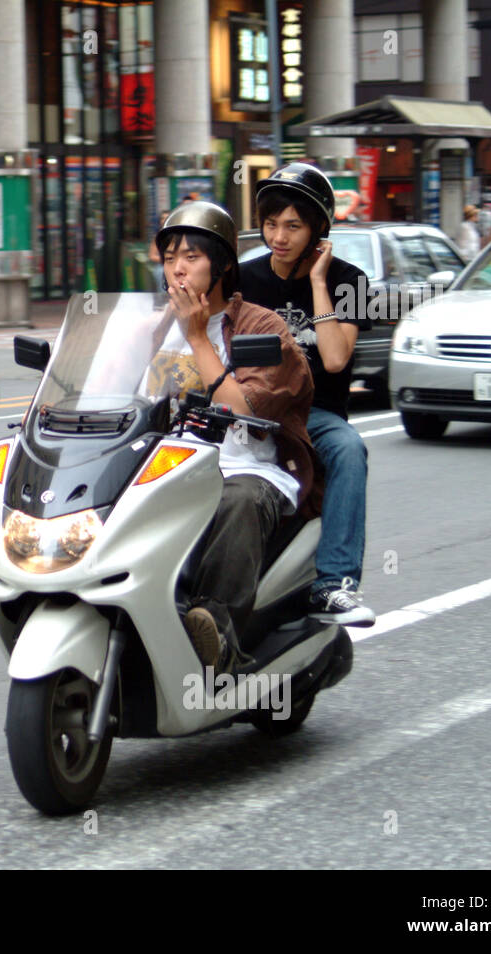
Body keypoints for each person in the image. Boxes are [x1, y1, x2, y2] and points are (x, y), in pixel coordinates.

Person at [151, 202, 321, 669]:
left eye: (191, 257)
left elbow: (242, 410)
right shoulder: (153, 327)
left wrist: (199, 338)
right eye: (169, 258)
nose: (178, 269)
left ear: (223, 264)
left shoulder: (262, 326)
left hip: (245, 467)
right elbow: (108, 387)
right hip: (163, 466)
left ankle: (217, 633)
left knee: (236, 500)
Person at [239, 162, 376, 628]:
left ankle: (335, 584)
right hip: (250, 409)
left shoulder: (351, 280)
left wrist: (318, 282)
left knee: (348, 449)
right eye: (271, 224)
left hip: (315, 414)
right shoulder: (241, 279)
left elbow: (336, 359)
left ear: (317, 227)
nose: (279, 236)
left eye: (293, 226)